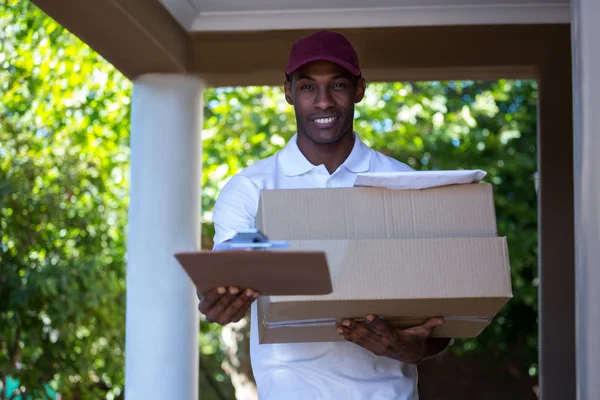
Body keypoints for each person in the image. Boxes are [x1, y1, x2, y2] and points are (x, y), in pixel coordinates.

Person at [199, 30, 450, 399]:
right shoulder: (251, 188)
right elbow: (232, 272)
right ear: (288, 92)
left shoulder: (404, 185)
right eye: (307, 87)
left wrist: (413, 349)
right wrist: (220, 303)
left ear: (359, 89)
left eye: (337, 85)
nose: (322, 102)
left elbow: (444, 317)